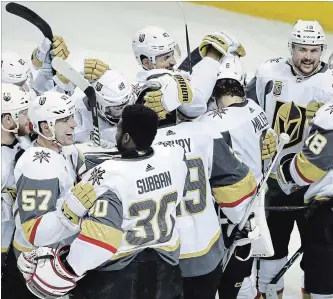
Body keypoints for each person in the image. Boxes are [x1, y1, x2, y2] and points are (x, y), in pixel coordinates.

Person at [17, 104, 189, 299]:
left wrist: (69, 267)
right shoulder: (173, 158)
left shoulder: (106, 176)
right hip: (167, 270)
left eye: (119, 127)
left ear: (125, 137)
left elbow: (100, 241)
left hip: (119, 277)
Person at [141, 74, 258, 299]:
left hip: (155, 257)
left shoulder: (136, 144)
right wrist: (241, 220)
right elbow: (237, 190)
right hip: (204, 254)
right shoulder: (204, 133)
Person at [246, 19, 333, 298]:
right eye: (301, 49)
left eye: (314, 50)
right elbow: (246, 113)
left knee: (320, 262)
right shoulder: (267, 73)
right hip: (273, 180)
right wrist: (257, 139)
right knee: (271, 252)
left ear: (322, 50)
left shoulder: (331, 84)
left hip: (316, 188)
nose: (308, 57)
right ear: (290, 48)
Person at [198, 55, 273, 299]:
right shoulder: (254, 108)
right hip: (255, 206)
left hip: (228, 214)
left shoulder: (210, 123)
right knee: (244, 277)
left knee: (224, 282)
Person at [13, 91, 94, 261]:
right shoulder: (37, 167)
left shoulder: (68, 150)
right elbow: (33, 232)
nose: (73, 124)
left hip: (62, 248)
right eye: (65, 119)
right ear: (46, 127)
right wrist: (73, 211)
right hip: (36, 258)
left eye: (71, 116)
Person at [277, 99, 333, 299]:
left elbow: (304, 172)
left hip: (327, 212)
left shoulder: (329, 117)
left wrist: (284, 168)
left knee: (323, 283)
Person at [132, 26, 246, 119]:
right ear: (147, 63)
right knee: (229, 61)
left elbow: (183, 74)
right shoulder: (158, 82)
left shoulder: (143, 81)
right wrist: (213, 54)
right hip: (186, 139)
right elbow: (197, 106)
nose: (173, 61)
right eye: (166, 58)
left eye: (172, 54)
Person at [1, 83, 35, 299]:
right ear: (7, 120)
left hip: (19, 244)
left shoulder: (23, 141)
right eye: (22, 113)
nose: (27, 118)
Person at [74, 69, 136, 148]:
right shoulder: (78, 117)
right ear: (98, 104)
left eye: (127, 106)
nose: (123, 114)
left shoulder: (138, 96)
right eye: (118, 108)